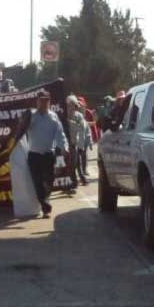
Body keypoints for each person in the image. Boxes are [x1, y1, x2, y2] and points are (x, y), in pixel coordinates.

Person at [26, 90, 68, 218]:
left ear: (49, 101)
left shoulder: (53, 116)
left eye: (46, 100)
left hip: (48, 155)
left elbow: (60, 134)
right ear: (37, 101)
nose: (44, 103)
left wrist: (64, 147)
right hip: (34, 155)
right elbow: (21, 130)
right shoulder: (31, 117)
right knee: (37, 182)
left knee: (49, 180)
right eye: (41, 100)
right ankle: (45, 207)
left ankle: (45, 201)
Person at [66, 95, 92, 185]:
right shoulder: (62, 116)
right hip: (66, 143)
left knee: (77, 161)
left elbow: (81, 129)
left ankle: (81, 178)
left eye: (72, 104)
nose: (70, 107)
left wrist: (82, 146)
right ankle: (74, 180)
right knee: (73, 163)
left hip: (75, 143)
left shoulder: (79, 116)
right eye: (68, 105)